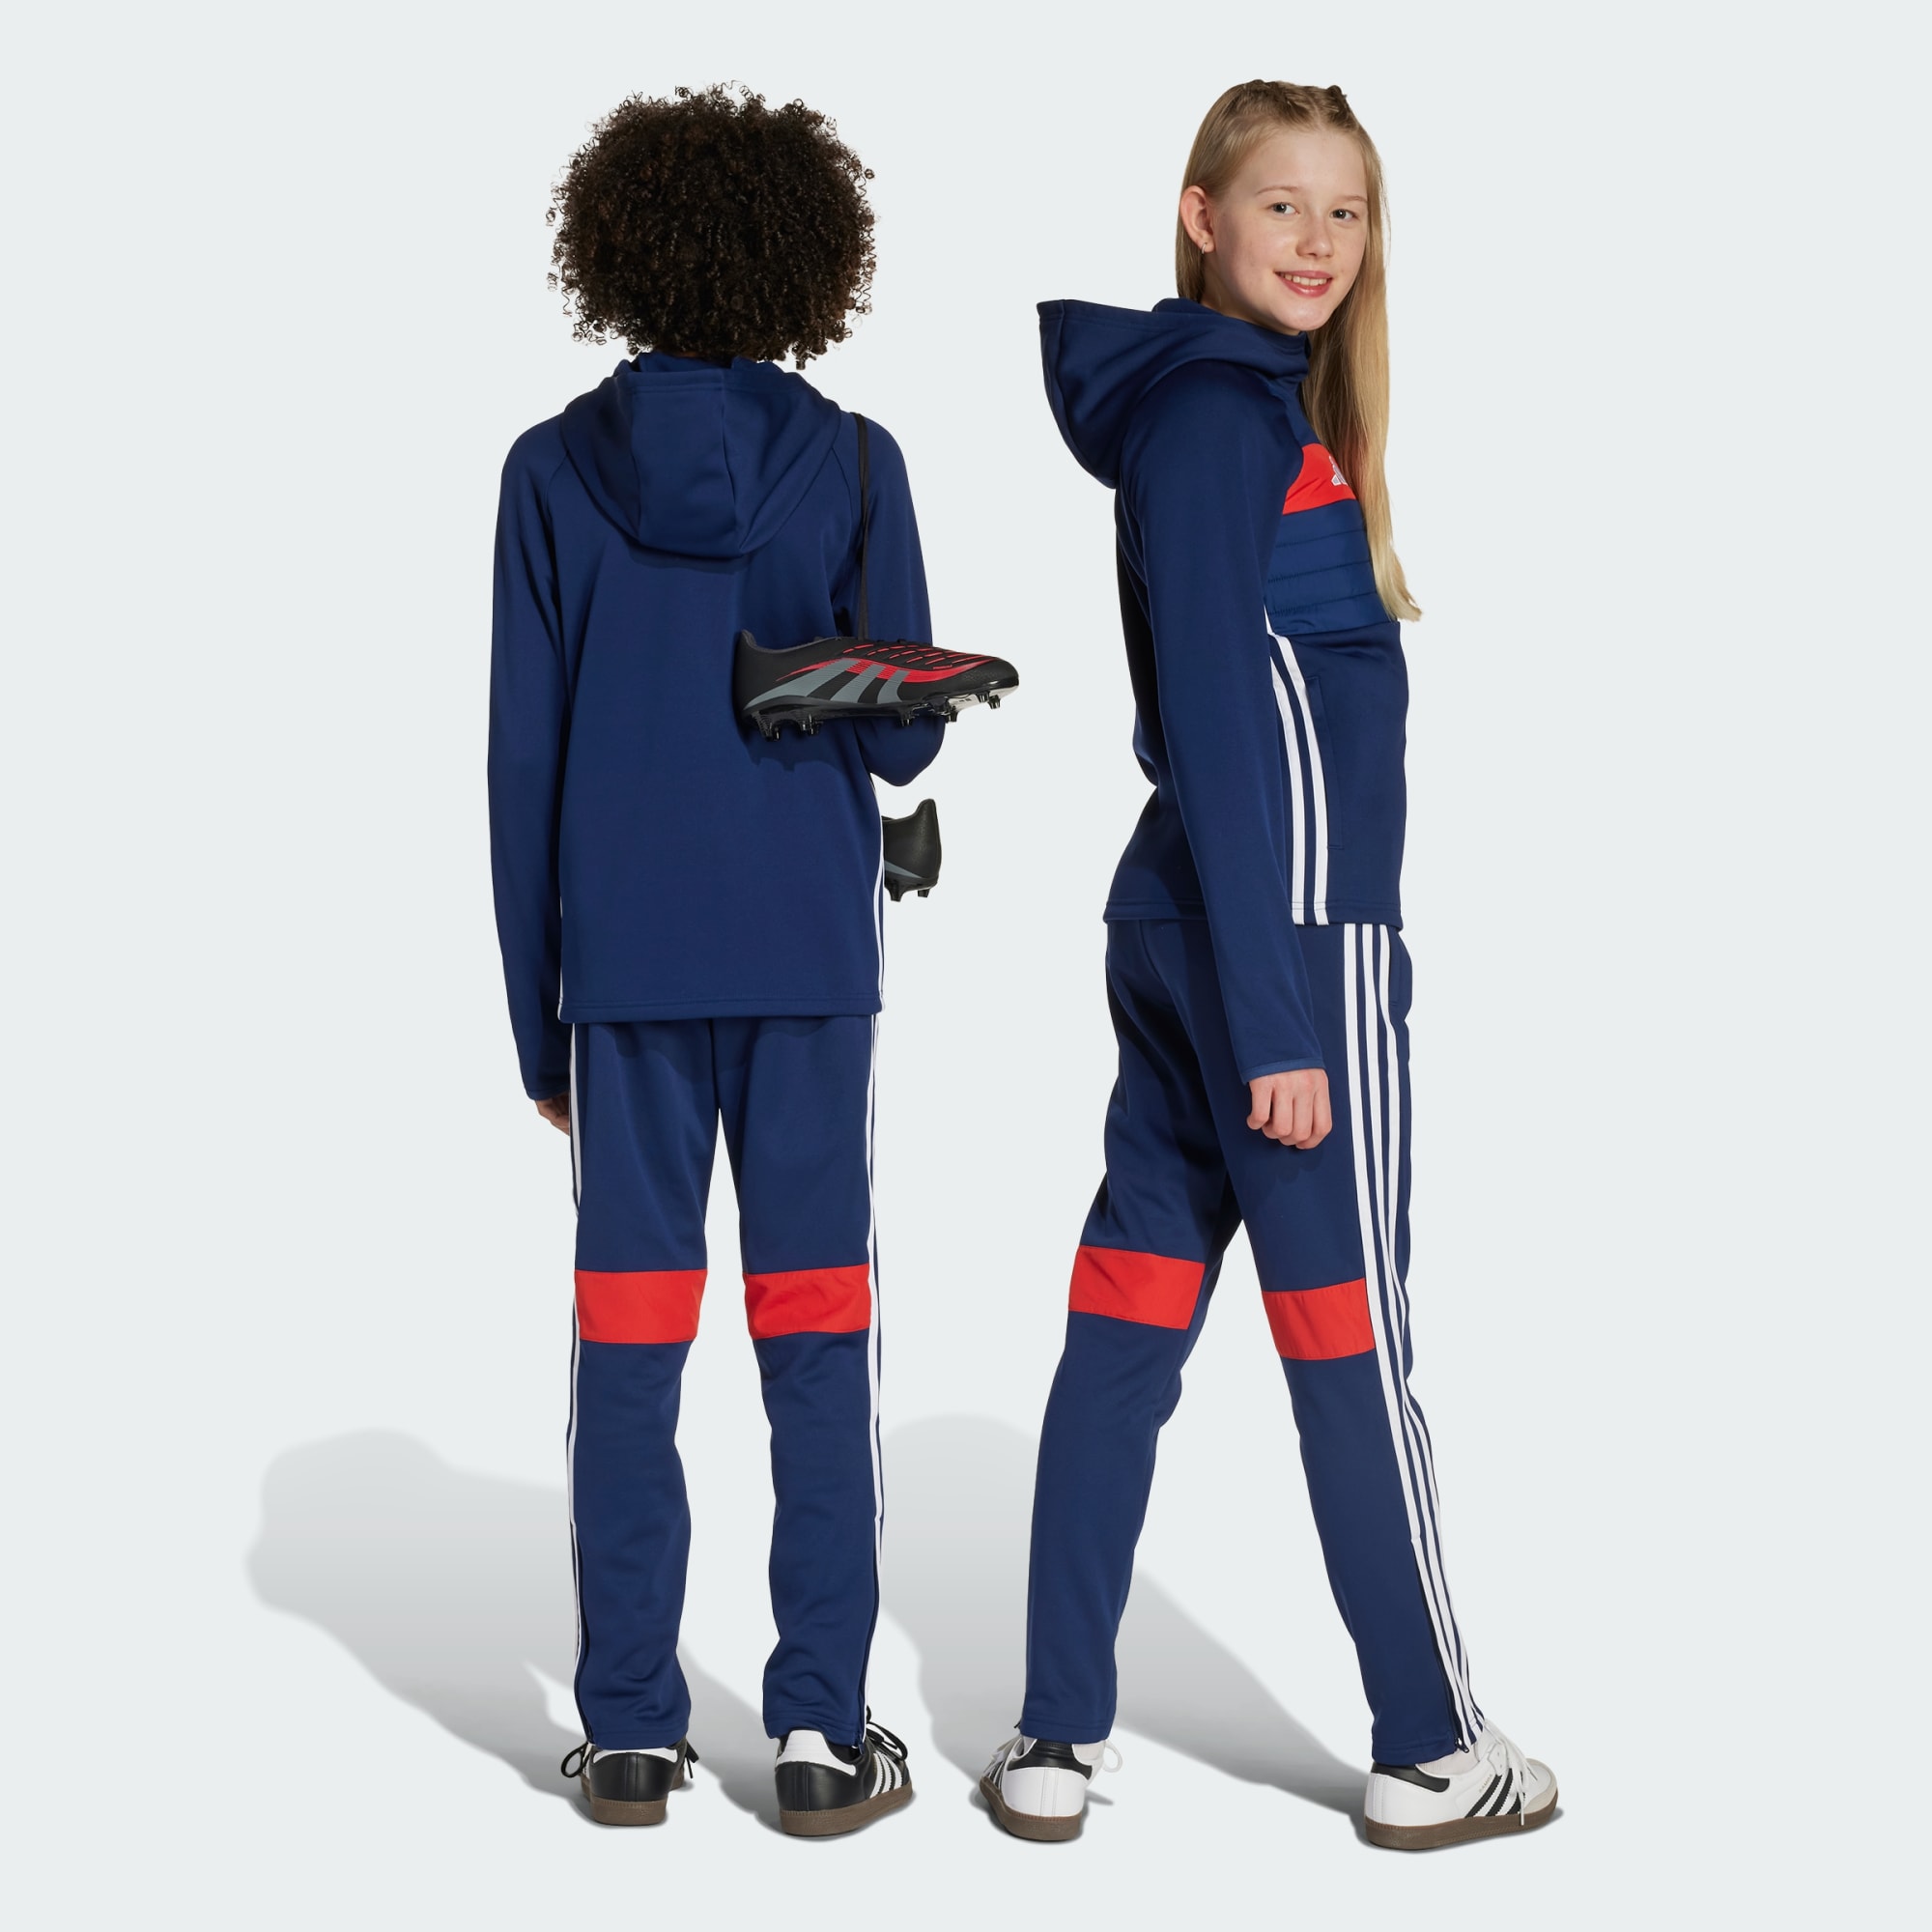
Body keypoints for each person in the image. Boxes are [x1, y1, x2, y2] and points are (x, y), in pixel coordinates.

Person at [980, 80, 1557, 1850]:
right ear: (1201, 216)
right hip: (1280, 945)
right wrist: (1283, 1016)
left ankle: (1053, 1738)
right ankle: (1432, 1743)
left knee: (1125, 1325)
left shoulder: (1223, 409)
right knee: (1348, 1338)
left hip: (1188, 923)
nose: (1317, 241)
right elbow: (1232, 726)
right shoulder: (1227, 417)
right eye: (1282, 204)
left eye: (1347, 211)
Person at [488, 85, 980, 1836]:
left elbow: (522, 766)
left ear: (615, 254)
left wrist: (535, 1022)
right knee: (816, 1334)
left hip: (621, 977)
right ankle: (822, 1731)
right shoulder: (854, 464)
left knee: (629, 1341)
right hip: (805, 964)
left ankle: (629, 1731)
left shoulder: (549, 473)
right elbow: (903, 743)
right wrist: (881, 694)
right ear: (806, 261)